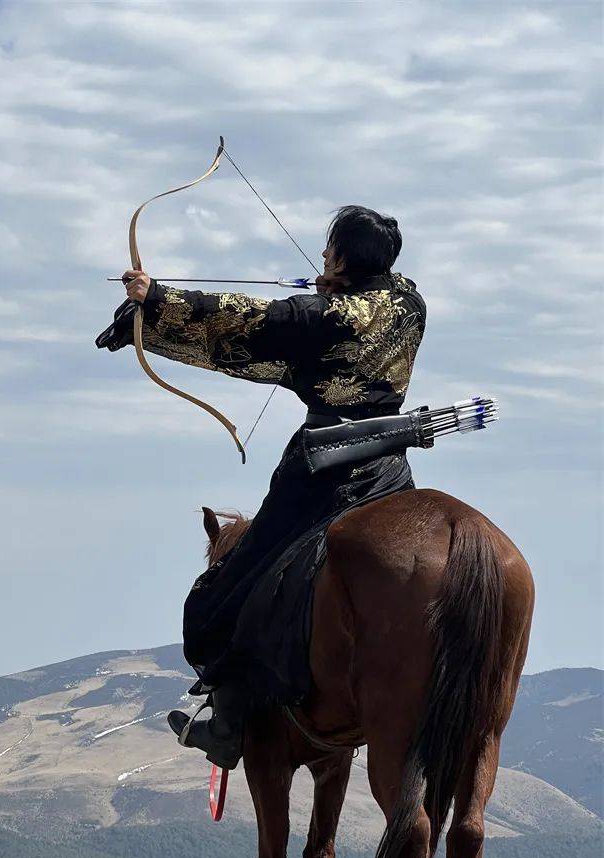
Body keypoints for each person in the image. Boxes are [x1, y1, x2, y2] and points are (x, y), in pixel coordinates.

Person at [104, 206, 426, 769]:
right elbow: (361, 302)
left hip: (325, 472)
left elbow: (247, 320)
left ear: (345, 258)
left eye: (330, 250)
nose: (322, 256)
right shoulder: (410, 304)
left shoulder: (323, 317)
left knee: (232, 588)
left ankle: (226, 726)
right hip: (390, 468)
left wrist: (155, 299)